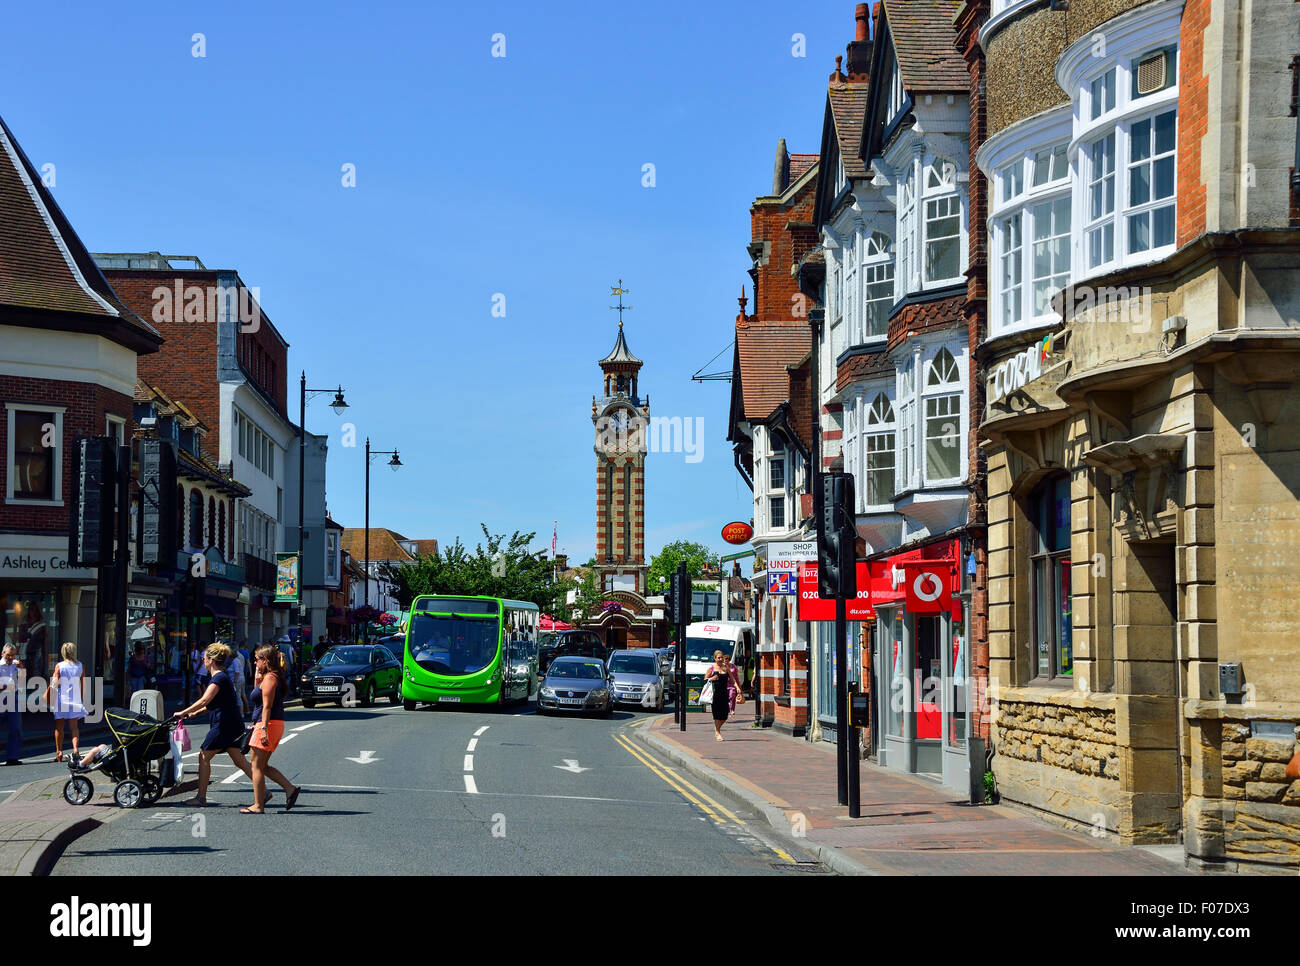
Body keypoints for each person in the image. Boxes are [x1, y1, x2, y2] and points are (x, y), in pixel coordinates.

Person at [174, 643, 253, 807]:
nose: (203, 660)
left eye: (204, 658)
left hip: (224, 725)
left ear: (210, 660)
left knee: (204, 755)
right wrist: (195, 714)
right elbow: (214, 704)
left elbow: (204, 699)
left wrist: (182, 712)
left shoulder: (218, 678)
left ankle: (201, 798)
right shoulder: (221, 677)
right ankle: (264, 790)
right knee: (239, 761)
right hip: (231, 723)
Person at [243, 645, 302, 814]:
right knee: (262, 766)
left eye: (257, 659)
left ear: (266, 660)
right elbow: (256, 693)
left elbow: (266, 707)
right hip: (271, 723)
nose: (254, 662)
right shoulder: (270, 676)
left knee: (256, 767)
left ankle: (258, 805)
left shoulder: (270, 678)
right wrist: (257, 672)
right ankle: (289, 789)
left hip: (268, 724)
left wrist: (263, 729)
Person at [49, 642, 86, 762]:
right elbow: (82, 684)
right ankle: (75, 749)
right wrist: (80, 698)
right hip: (74, 699)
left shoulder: (59, 666)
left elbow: (54, 683)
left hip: (61, 699)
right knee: (74, 727)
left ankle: (59, 752)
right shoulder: (80, 666)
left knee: (59, 727)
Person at [703, 650, 741, 741]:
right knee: (717, 715)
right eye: (718, 658)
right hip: (715, 694)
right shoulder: (711, 668)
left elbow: (732, 680)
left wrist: (737, 688)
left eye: (721, 658)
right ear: (715, 658)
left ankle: (717, 729)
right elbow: (705, 680)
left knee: (724, 716)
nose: (720, 659)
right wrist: (712, 678)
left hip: (724, 694)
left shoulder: (726, 668)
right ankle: (718, 732)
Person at [0, 645, 22, 765]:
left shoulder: (15, 665)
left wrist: (22, 668)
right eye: (8, 655)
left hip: (13, 697)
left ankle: (12, 757)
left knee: (16, 728)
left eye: (13, 655)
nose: (10, 657)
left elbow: (23, 680)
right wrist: (5, 686)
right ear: (2, 654)